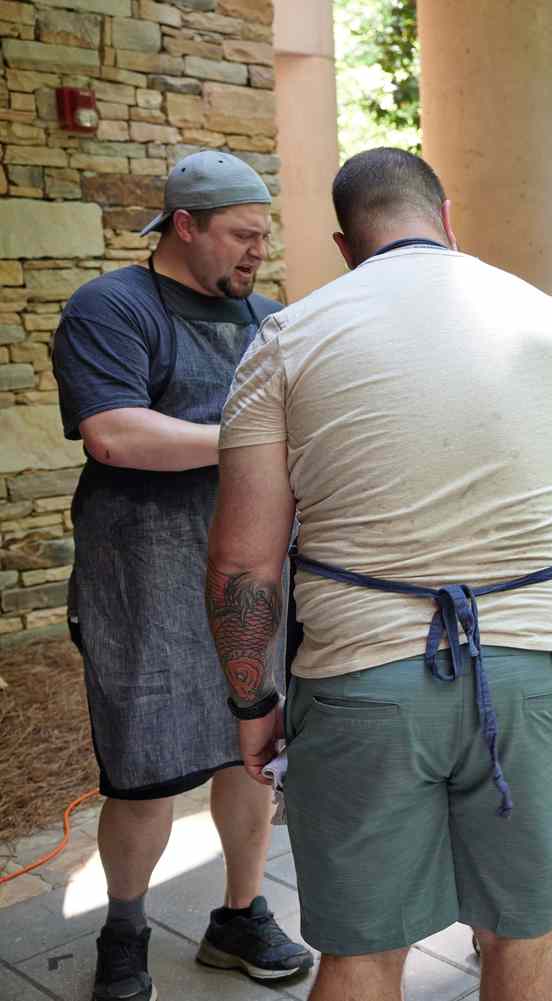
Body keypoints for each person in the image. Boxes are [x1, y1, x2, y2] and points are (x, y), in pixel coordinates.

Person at [205, 146, 552, 1001]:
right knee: (522, 935)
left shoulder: (289, 337)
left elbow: (241, 559)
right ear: (447, 220)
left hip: (359, 689)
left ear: (345, 245)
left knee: (363, 951)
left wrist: (252, 701)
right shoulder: (545, 316)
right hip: (526, 682)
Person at [52, 151, 314, 1001]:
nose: (255, 255)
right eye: (242, 236)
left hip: (250, 578)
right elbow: (117, 435)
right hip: (143, 579)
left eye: (263, 238)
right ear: (185, 225)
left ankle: (239, 914)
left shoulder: (268, 320)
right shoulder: (111, 308)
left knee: (252, 754)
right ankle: (124, 929)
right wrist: (253, 442)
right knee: (145, 771)